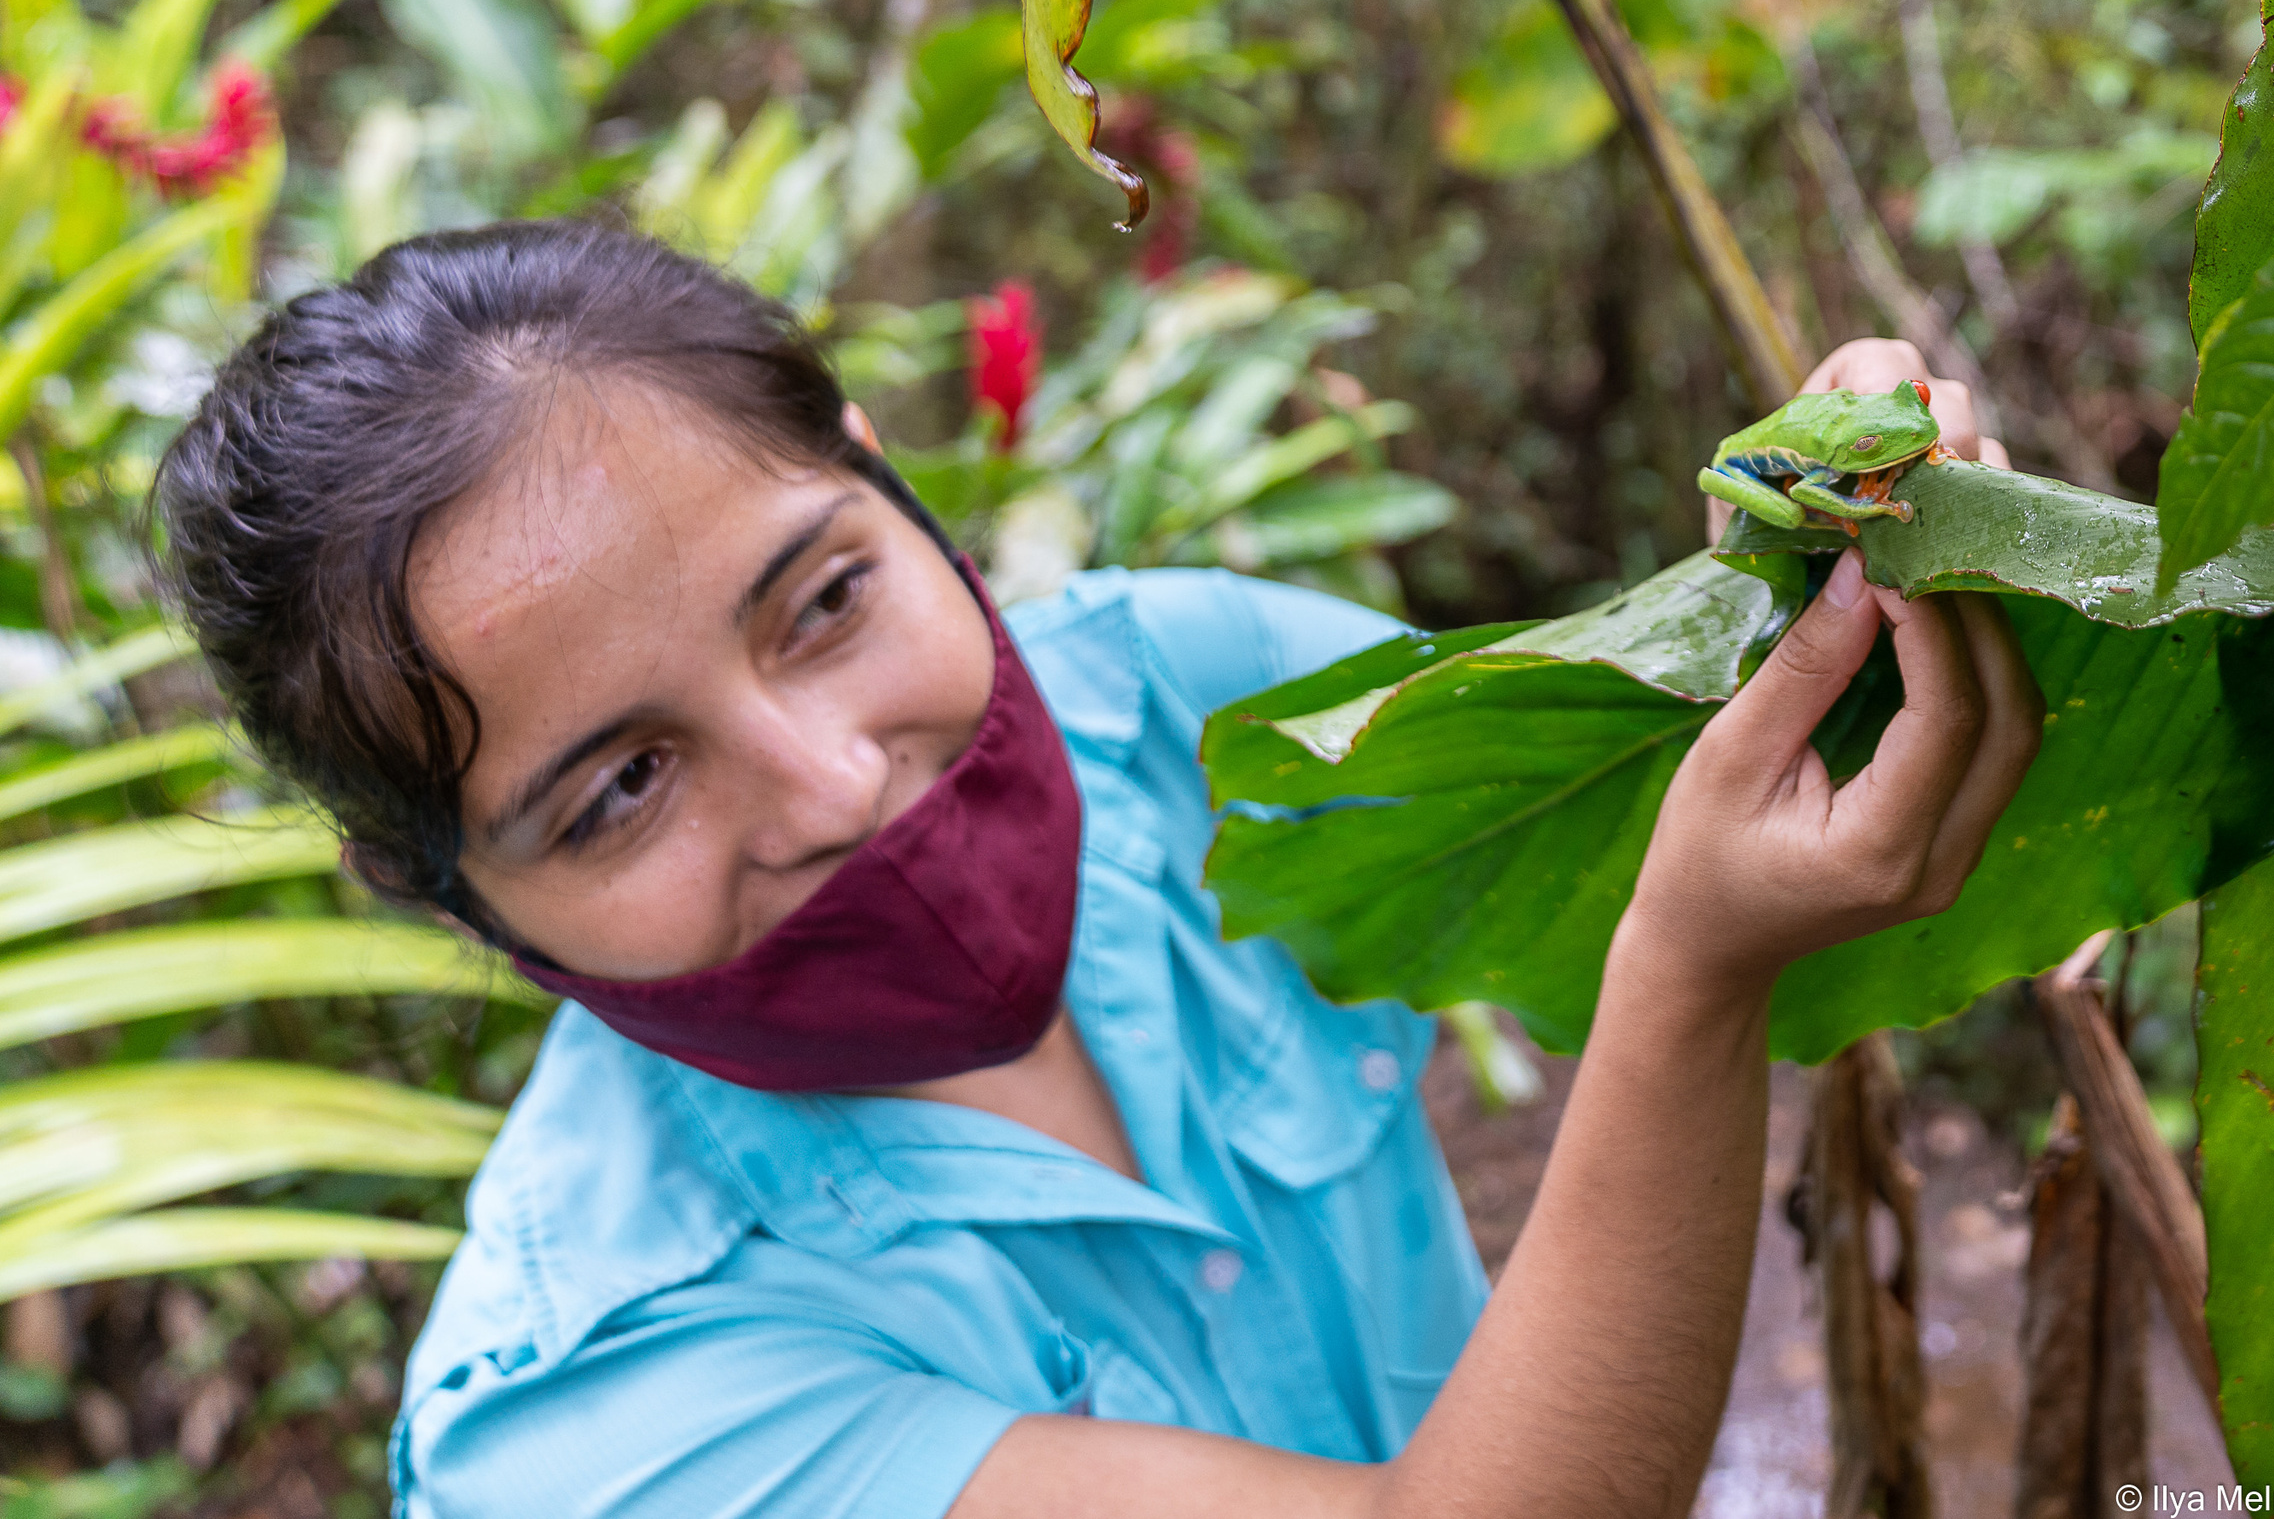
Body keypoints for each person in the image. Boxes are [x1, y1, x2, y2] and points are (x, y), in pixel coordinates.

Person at [154, 221, 2040, 1519]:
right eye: (622, 789)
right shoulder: (611, 1426)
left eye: (823, 602)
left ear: (887, 480)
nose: (836, 786)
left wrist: (1825, 556)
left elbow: (1669, 784)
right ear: (445, 891)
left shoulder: (1190, 694)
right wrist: (1693, 983)